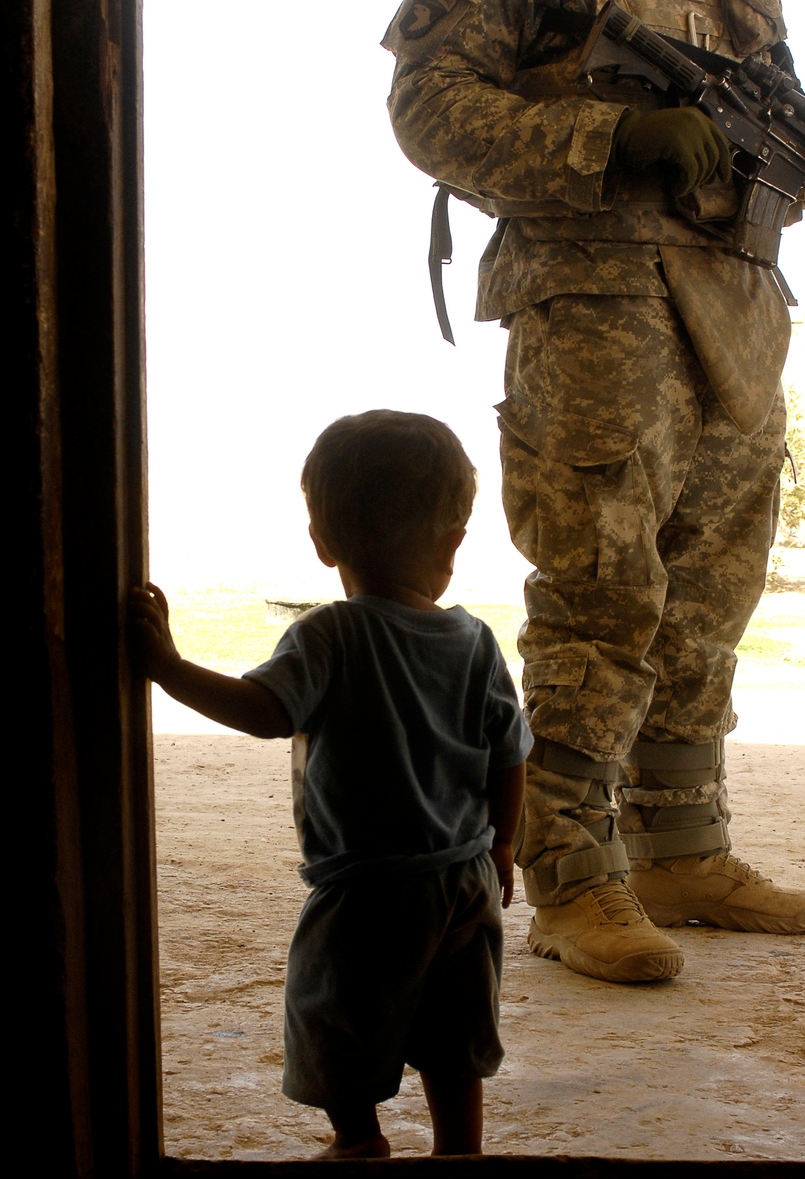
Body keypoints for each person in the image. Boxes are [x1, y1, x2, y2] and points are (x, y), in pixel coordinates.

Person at [382, 0, 805, 985]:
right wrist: (606, 136)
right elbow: (428, 107)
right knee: (603, 597)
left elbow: (771, 128)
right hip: (596, 308)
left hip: (735, 314)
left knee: (709, 601)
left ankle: (684, 845)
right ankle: (571, 878)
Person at [130, 410, 531, 1160]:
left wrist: (168, 668)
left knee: (335, 1015)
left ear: (322, 542)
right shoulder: (475, 641)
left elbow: (264, 711)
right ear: (453, 542)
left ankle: (358, 1140)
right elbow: (511, 751)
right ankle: (459, 1152)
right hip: (466, 878)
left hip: (368, 891)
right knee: (454, 1032)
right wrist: (504, 842)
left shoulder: (330, 634)